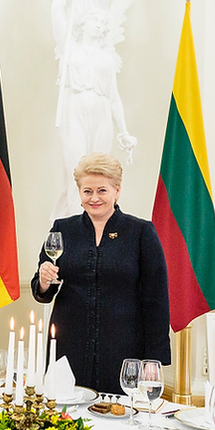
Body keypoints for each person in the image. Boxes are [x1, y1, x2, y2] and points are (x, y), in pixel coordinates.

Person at [32, 152, 169, 393]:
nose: (94, 198)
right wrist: (44, 282)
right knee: (67, 422)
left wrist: (153, 358)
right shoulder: (62, 229)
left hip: (123, 349)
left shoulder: (141, 232)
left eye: (102, 190)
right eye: (87, 191)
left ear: (117, 190)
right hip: (69, 347)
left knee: (118, 418)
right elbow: (42, 291)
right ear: (79, 193)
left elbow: (156, 300)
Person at [49, 0, 136, 221]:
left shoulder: (107, 58)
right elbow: (57, 9)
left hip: (101, 112)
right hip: (75, 108)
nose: (101, 25)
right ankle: (74, 227)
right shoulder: (69, 47)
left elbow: (114, 98)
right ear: (85, 23)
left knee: (100, 173)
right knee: (77, 170)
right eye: (96, 21)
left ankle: (100, 227)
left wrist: (124, 131)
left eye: (104, 22)